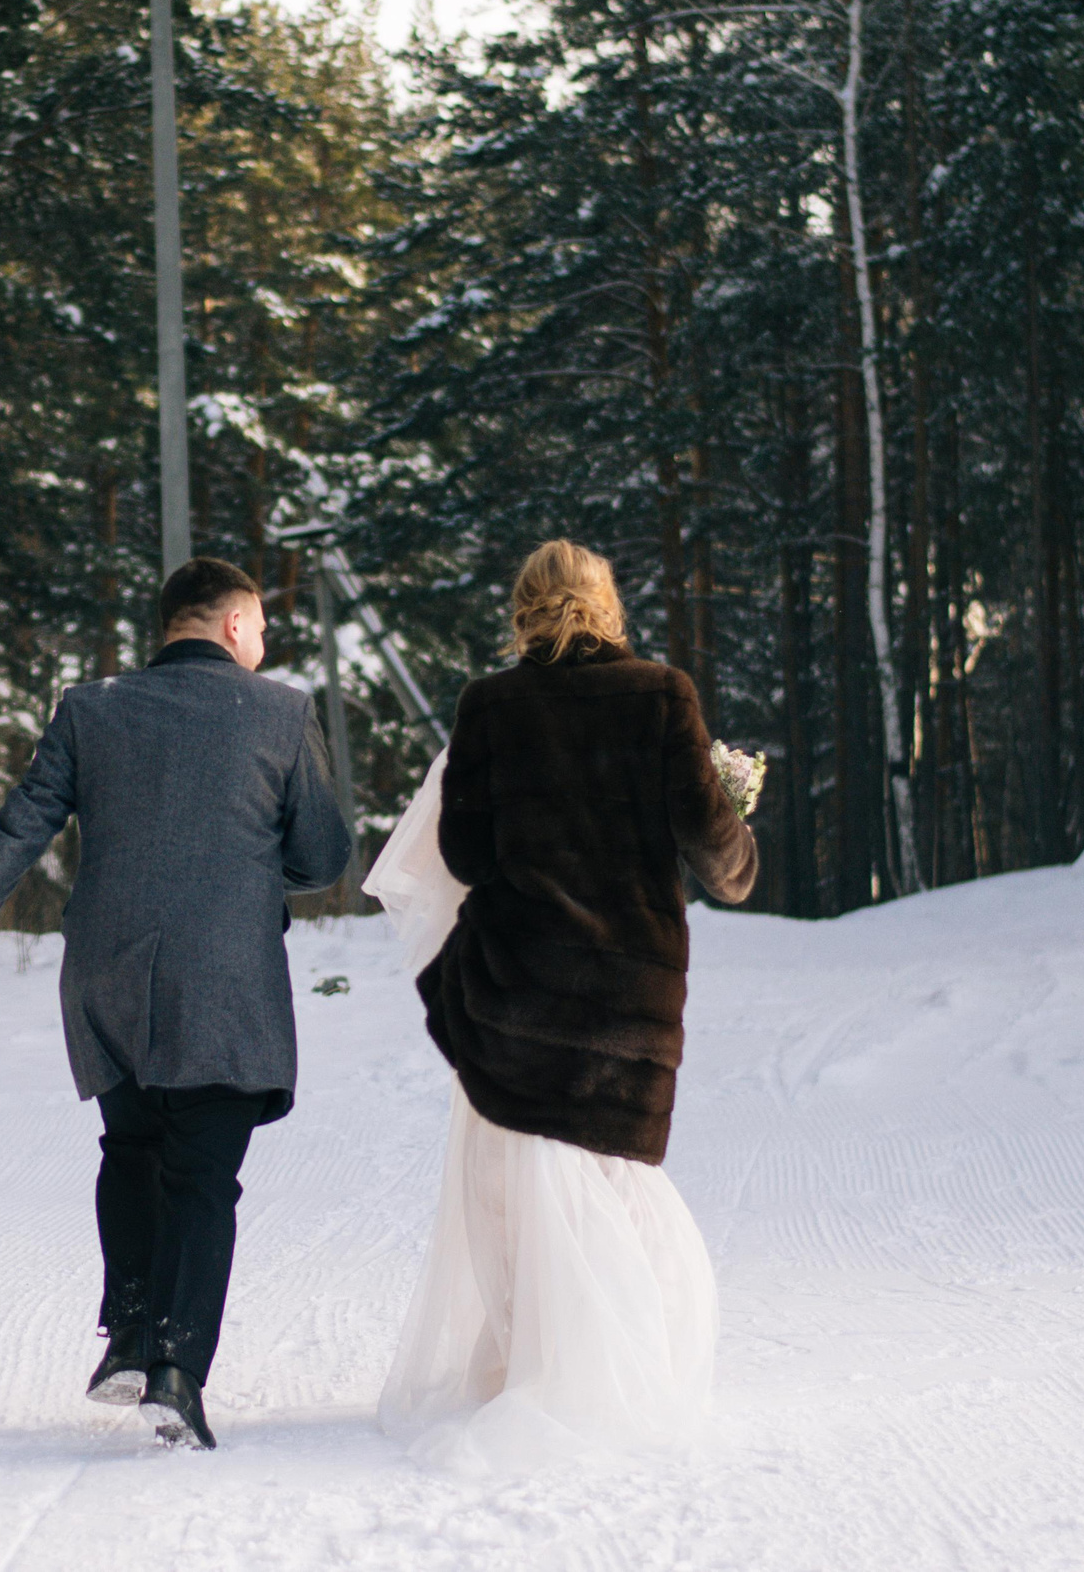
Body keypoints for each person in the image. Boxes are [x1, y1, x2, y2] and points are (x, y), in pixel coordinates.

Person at [0, 556, 353, 1450]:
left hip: (108, 971)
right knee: (202, 1173)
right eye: (261, 627)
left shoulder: (91, 707)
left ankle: (128, 1333)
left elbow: (22, 822)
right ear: (234, 625)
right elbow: (322, 854)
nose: (263, 643)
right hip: (224, 976)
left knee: (132, 1144)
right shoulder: (279, 711)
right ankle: (177, 1371)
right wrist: (249, 860)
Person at [366, 538, 757, 1472]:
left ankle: (540, 1364)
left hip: (522, 982)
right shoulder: (663, 694)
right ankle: (629, 1370)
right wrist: (740, 832)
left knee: (526, 1183)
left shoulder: (490, 705)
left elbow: (463, 854)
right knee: (613, 1175)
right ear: (605, 604)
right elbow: (714, 850)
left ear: (525, 610)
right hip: (632, 983)